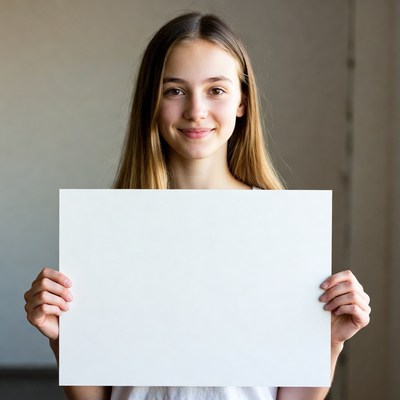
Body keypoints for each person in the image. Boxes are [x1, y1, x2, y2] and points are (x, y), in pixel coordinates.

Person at [23, 12, 371, 400]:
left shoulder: (281, 229)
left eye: (216, 90)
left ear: (243, 102)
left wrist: (330, 342)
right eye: (174, 90)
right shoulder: (113, 231)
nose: (196, 111)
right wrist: (63, 340)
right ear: (150, 103)